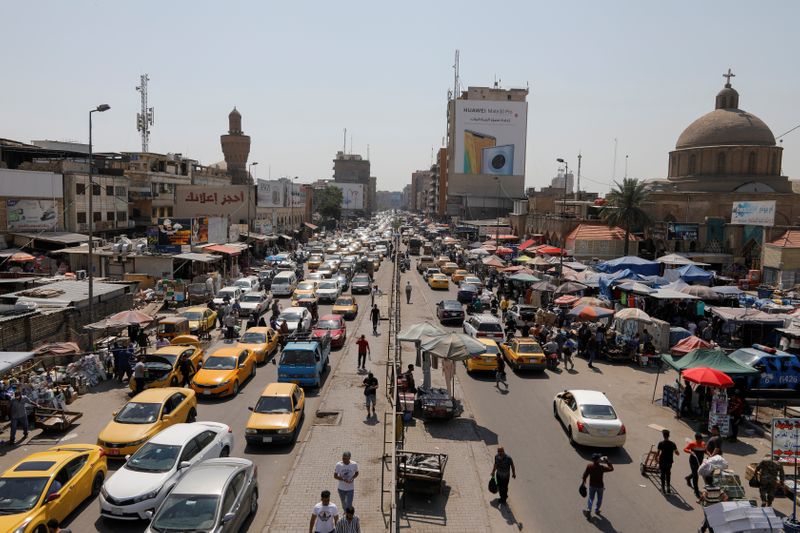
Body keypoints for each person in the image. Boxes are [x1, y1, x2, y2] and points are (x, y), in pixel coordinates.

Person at [582, 453, 613, 518]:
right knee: (599, 499)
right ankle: (597, 510)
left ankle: (588, 510)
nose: (600, 459)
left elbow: (585, 475)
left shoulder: (589, 466)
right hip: (600, 487)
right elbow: (611, 468)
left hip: (592, 486)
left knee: (591, 498)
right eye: (599, 458)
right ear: (598, 460)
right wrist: (607, 461)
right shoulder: (601, 467)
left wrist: (583, 483)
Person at [656, 429, 679, 494]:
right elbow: (677, 453)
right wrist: (676, 451)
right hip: (669, 461)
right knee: (668, 474)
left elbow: (658, 453)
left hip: (662, 461)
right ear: (669, 436)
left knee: (662, 474)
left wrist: (656, 458)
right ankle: (668, 488)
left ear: (663, 436)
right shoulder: (672, 443)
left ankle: (663, 488)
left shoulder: (661, 443)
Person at [684, 433, 706, 498]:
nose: (701, 441)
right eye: (700, 440)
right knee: (696, 476)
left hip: (700, 461)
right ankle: (696, 491)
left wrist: (709, 454)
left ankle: (688, 478)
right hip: (693, 462)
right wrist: (690, 452)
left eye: (702, 439)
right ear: (697, 439)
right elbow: (685, 449)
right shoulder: (692, 444)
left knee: (695, 473)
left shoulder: (703, 444)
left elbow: (704, 451)